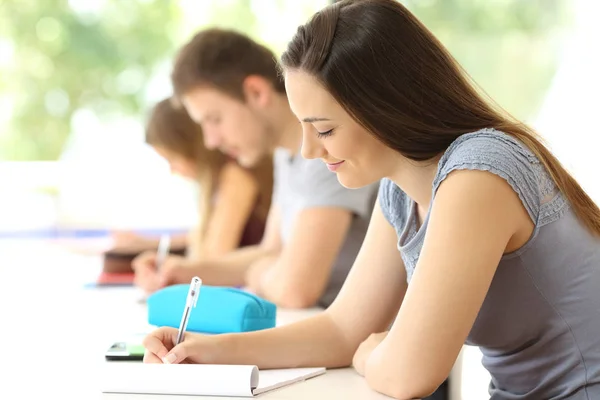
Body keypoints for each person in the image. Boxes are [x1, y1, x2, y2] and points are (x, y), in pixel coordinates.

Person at [141, 1, 600, 399]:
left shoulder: (478, 173)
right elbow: (343, 328)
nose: (308, 151)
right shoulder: (400, 188)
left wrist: (371, 352)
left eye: (323, 129)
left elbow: (408, 374)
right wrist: (203, 350)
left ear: (384, 107)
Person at [132, 28, 378, 308]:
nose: (211, 141)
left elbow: (295, 289)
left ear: (256, 92)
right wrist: (185, 271)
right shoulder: (285, 155)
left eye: (214, 119)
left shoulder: (326, 154)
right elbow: (271, 250)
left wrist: (257, 273)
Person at [132, 98, 274, 293]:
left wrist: (174, 271)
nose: (173, 170)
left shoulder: (236, 176)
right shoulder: (213, 186)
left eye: (172, 159)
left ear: (191, 147)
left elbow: (213, 254)